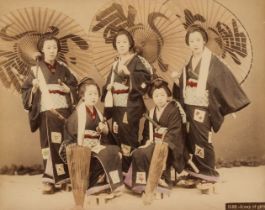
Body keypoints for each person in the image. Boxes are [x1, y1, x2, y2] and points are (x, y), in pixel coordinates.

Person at [172, 24, 250, 191]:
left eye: (198, 40)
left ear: (204, 41)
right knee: (190, 139)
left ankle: (208, 174)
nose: (195, 43)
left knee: (203, 140)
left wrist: (221, 98)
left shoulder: (212, 60)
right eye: (191, 40)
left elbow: (223, 80)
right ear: (188, 43)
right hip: (189, 106)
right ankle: (194, 172)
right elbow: (185, 83)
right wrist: (177, 80)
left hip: (203, 107)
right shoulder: (189, 61)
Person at [21, 35, 78, 194]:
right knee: (49, 145)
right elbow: (24, 91)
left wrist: (68, 90)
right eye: (48, 47)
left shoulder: (64, 68)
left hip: (64, 112)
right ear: (42, 49)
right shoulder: (35, 70)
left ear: (58, 49)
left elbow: (75, 86)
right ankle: (49, 180)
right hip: (47, 111)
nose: (52, 50)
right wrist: (33, 89)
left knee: (65, 143)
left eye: (54, 47)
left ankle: (66, 178)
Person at [124, 77, 188, 194]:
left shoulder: (174, 109)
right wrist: (147, 142)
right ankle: (141, 183)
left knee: (153, 151)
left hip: (170, 145)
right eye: (156, 96)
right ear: (152, 97)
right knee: (139, 152)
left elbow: (175, 132)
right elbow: (147, 133)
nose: (159, 99)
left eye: (162, 95)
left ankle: (160, 180)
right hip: (154, 142)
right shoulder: (151, 112)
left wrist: (163, 143)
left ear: (167, 95)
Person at [101, 28, 152, 172]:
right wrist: (108, 87)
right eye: (118, 42)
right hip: (116, 105)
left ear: (130, 43)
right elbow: (107, 84)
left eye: (124, 41)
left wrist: (130, 74)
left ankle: (131, 169)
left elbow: (145, 80)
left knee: (129, 135)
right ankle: (122, 167)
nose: (121, 44)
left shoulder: (137, 60)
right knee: (117, 133)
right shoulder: (115, 63)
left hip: (130, 105)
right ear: (115, 45)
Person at [64, 77, 123, 195]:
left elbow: (106, 135)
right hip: (82, 148)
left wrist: (104, 129)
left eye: (95, 94)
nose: (93, 97)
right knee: (104, 153)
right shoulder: (77, 114)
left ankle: (109, 183)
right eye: (90, 94)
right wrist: (80, 148)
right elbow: (70, 136)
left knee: (114, 150)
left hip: (96, 145)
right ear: (82, 96)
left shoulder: (99, 114)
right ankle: (94, 184)